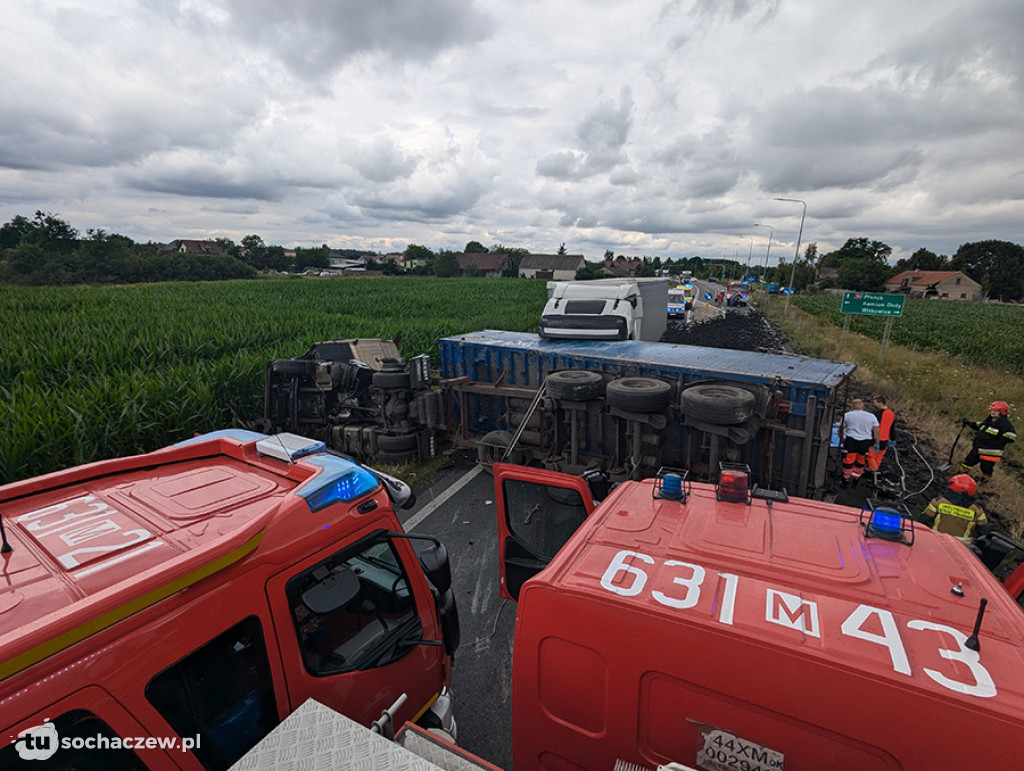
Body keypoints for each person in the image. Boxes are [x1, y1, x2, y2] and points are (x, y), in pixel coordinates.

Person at [960, 401, 1016, 482]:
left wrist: (999, 438)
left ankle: (984, 481)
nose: (992, 412)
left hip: (990, 452)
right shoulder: (989, 421)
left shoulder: (1005, 424)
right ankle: (960, 476)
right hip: (978, 448)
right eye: (992, 410)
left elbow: (1012, 436)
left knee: (986, 468)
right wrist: (969, 423)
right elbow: (980, 425)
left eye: (996, 410)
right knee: (968, 462)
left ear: (1002, 412)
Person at [920, 474, 987, 541]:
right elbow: (983, 532)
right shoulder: (978, 510)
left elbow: (923, 520)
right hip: (962, 545)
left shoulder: (938, 502)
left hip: (937, 540)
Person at [838, 398, 879, 488]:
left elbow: (841, 428)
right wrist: (877, 443)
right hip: (865, 442)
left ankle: (846, 480)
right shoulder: (871, 416)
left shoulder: (848, 415)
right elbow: (876, 431)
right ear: (863, 406)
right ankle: (856, 479)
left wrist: (841, 438)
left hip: (851, 441)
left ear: (852, 406)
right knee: (860, 461)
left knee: (848, 461)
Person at [866, 395, 894, 475]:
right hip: (885, 439)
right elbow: (892, 428)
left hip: (876, 438)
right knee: (879, 455)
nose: (874, 405)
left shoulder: (877, 413)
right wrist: (892, 439)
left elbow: (874, 427)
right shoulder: (891, 413)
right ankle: (874, 469)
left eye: (875, 403)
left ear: (880, 403)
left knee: (871, 455)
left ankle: (874, 470)